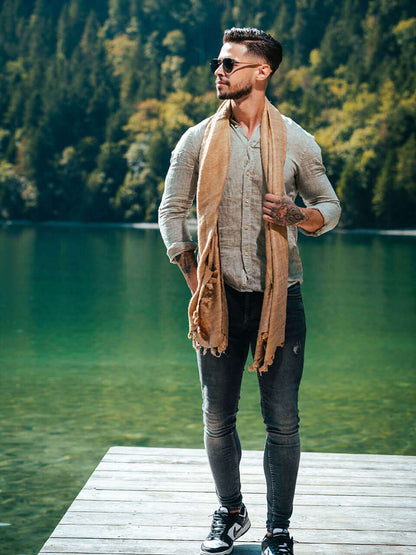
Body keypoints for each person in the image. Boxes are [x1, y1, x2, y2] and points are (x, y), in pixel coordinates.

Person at [159, 27, 341, 555]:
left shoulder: (298, 142)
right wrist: (193, 276)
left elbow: (329, 209)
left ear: (261, 72)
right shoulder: (196, 139)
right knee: (217, 418)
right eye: (218, 63)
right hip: (217, 300)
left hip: (281, 301)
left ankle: (278, 528)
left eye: (229, 64)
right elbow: (171, 213)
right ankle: (231, 511)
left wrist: (296, 213)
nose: (218, 71)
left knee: (282, 421)